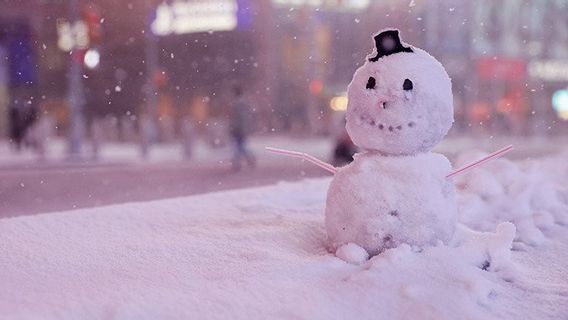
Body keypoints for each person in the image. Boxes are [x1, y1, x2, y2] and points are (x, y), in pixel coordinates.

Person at [228, 85, 256, 170]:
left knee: (238, 145)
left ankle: (238, 161)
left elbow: (236, 118)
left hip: (238, 128)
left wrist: (233, 127)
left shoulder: (237, 104)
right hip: (243, 127)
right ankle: (248, 158)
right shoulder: (245, 103)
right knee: (241, 145)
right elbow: (247, 116)